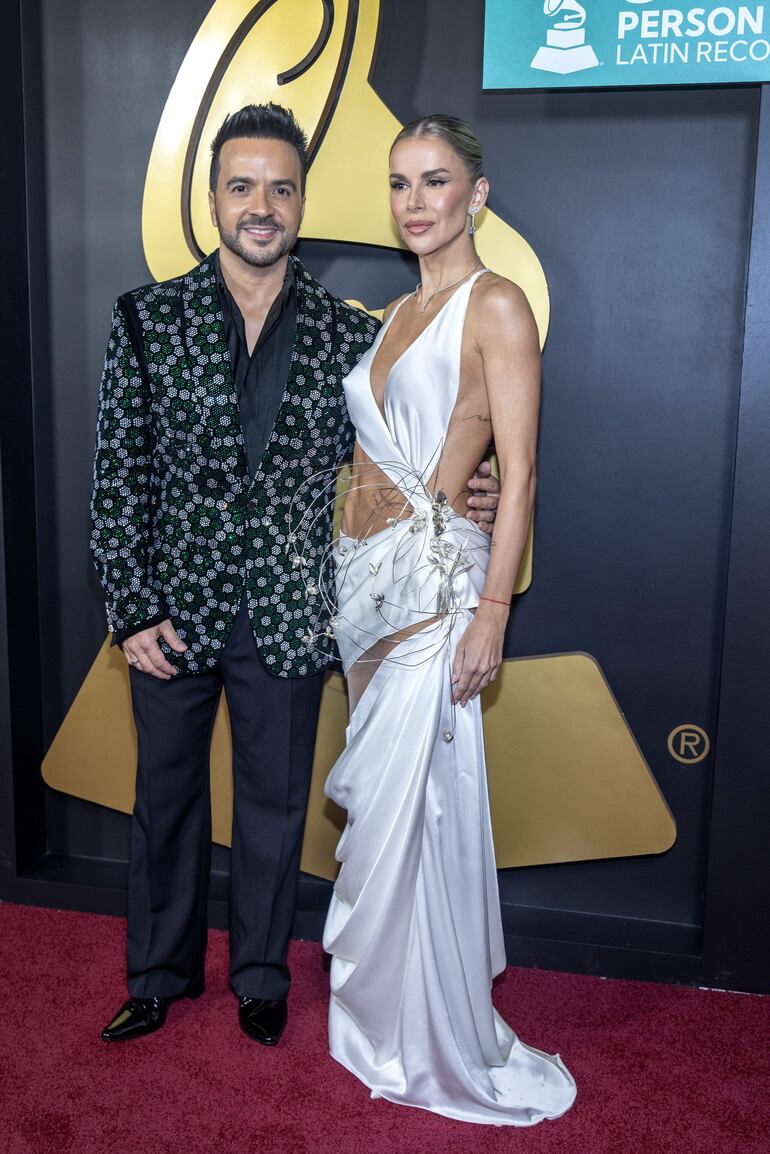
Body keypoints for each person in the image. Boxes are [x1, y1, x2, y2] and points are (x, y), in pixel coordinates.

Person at [90, 103, 499, 1046]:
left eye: (280, 187)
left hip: (288, 610)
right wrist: (131, 609)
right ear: (214, 201)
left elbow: (412, 450)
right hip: (172, 614)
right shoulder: (145, 320)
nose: (261, 205)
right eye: (243, 187)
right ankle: (157, 975)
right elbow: (119, 474)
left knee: (276, 805)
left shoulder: (347, 335)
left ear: (302, 200)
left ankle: (262, 975)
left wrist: (474, 487)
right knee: (167, 799)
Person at [309, 115, 578, 1124]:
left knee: (416, 805)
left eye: (434, 181)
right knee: (383, 808)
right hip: (360, 584)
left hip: (433, 591)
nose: (414, 201)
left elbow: (517, 475)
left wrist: (491, 614)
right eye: (398, 184)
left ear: (476, 193)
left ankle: (428, 1033)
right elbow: (378, 452)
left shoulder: (494, 304)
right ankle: (379, 1011)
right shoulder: (391, 313)